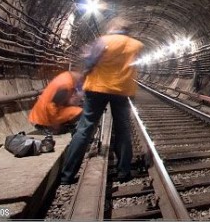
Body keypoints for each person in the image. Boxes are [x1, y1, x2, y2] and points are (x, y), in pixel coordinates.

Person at [60, 17, 144, 185]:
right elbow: (135, 65)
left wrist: (78, 88)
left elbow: (89, 63)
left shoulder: (103, 41)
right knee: (123, 129)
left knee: (85, 129)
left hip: (96, 89)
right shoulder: (136, 45)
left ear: (113, 28)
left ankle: (67, 176)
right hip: (122, 90)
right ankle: (123, 172)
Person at [28, 70, 84, 135]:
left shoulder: (66, 77)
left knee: (77, 108)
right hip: (44, 118)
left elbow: (62, 101)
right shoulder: (65, 86)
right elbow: (51, 106)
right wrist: (55, 125)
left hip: (39, 115)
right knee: (80, 112)